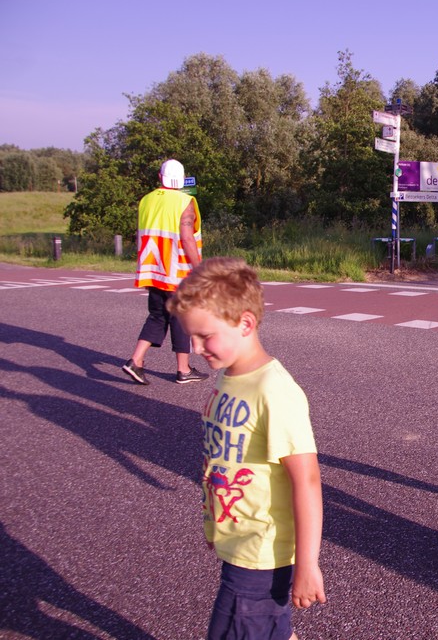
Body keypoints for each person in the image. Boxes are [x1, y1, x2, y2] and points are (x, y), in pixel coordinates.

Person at [167, 257, 326, 640]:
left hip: (261, 552)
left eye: (205, 336)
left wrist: (307, 564)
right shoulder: (229, 376)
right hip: (238, 539)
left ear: (245, 323)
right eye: (191, 337)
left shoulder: (274, 390)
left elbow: (307, 480)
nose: (195, 347)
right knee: (269, 630)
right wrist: (214, 521)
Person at [122, 158, 208, 385]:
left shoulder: (146, 200)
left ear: (160, 178)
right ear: (182, 179)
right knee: (181, 316)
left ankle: (136, 361)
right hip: (176, 270)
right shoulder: (185, 202)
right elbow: (187, 237)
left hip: (152, 269)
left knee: (158, 315)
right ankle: (183, 370)